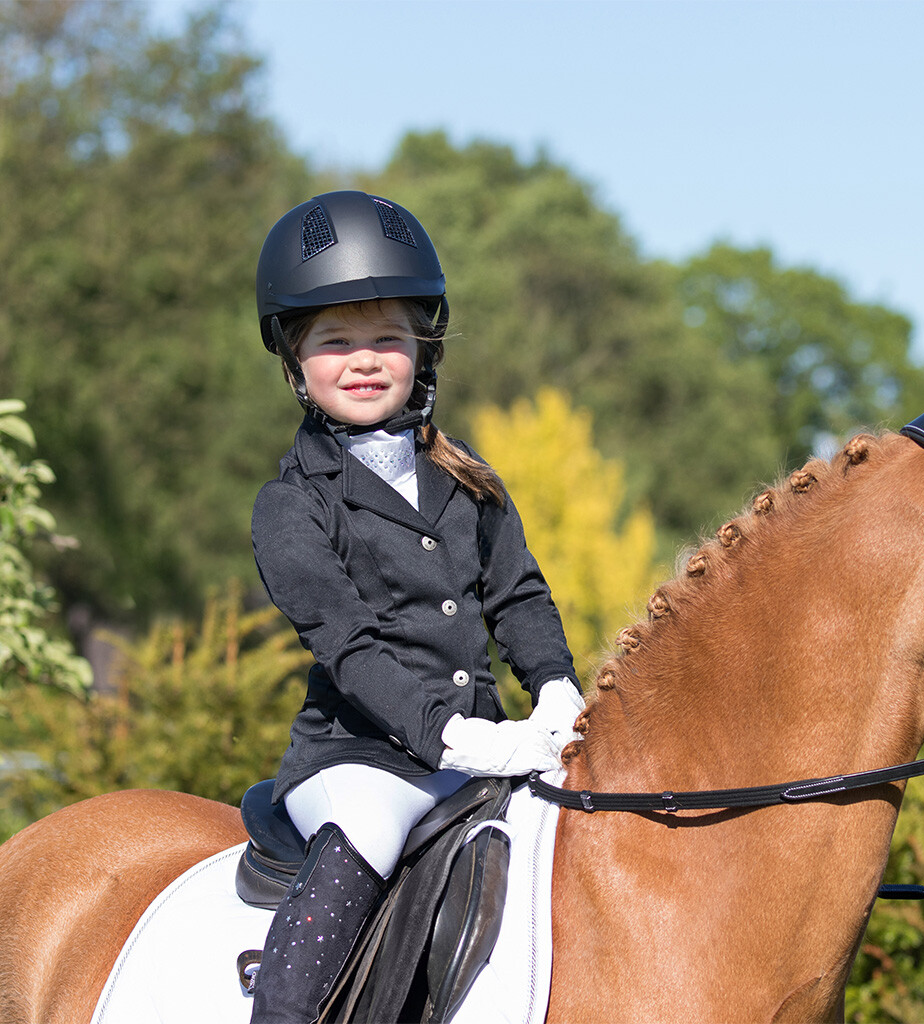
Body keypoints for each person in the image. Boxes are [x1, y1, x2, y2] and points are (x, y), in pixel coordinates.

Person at [247, 190, 583, 1024]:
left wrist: (555, 687)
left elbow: (518, 595)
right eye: (335, 341)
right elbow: (349, 647)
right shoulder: (290, 507)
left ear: (422, 352)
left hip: (489, 739)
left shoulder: (468, 477)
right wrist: (451, 736)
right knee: (365, 825)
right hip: (362, 758)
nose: (364, 360)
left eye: (386, 338)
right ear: (294, 362)